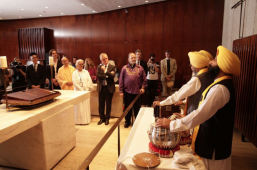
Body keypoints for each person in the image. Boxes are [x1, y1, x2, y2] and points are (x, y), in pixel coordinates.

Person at [156, 46, 241, 170]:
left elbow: (200, 114)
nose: (210, 62)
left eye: (215, 60)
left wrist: (171, 125)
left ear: (223, 66)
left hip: (213, 146)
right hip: (212, 140)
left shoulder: (220, 89)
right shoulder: (221, 84)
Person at [153, 51, 214, 116]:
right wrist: (183, 102)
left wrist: (161, 103)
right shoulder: (210, 76)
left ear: (197, 66)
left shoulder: (197, 79)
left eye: (191, 65)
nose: (191, 67)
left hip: (195, 115)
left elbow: (178, 95)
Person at [119, 53, 147, 128]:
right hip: (127, 92)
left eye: (134, 58)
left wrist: (143, 88)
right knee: (127, 108)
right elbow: (121, 80)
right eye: (132, 58)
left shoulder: (140, 68)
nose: (133, 59)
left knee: (137, 109)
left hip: (137, 92)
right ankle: (127, 122)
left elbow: (144, 80)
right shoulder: (124, 68)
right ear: (128, 59)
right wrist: (121, 91)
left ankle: (137, 122)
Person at [72, 59, 94, 125]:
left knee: (85, 106)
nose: (81, 65)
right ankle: (78, 121)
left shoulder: (86, 72)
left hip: (85, 91)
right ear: (76, 65)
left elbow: (89, 81)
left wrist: (86, 89)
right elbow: (75, 83)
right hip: (78, 92)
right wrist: (81, 90)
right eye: (79, 64)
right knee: (78, 107)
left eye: (82, 64)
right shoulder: (74, 73)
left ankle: (85, 120)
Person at [96, 53, 116, 125]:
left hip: (109, 88)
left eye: (106, 58)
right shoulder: (99, 67)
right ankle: (102, 118)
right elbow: (98, 76)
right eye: (103, 59)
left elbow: (113, 76)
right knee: (101, 104)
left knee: (108, 104)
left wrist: (105, 71)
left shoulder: (112, 66)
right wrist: (107, 75)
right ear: (101, 60)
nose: (105, 60)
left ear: (108, 58)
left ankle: (107, 118)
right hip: (101, 87)